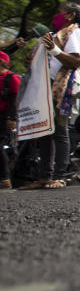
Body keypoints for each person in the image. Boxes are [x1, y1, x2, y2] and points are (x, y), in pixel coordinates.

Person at [21, 2, 80, 190]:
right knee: (44, 132)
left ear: (69, 16)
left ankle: (61, 176)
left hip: (59, 88)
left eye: (58, 13)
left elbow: (76, 61)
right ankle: (44, 177)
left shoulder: (75, 33)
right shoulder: (52, 35)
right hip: (43, 88)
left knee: (60, 131)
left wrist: (55, 50)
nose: (54, 17)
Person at [0, 51, 21, 189]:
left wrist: (12, 118)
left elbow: (16, 100)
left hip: (4, 116)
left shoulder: (11, 78)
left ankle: (4, 178)